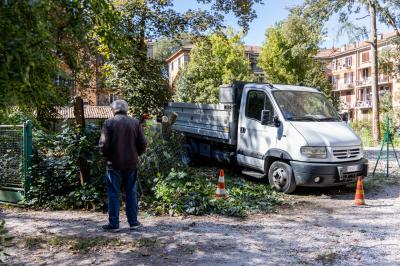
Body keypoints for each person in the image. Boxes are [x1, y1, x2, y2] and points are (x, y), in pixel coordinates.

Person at [99, 100, 146, 232]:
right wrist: (137, 154)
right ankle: (133, 222)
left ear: (113, 110)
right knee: (131, 192)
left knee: (114, 193)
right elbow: (143, 144)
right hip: (131, 163)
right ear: (126, 109)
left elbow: (103, 145)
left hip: (113, 164)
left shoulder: (109, 122)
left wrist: (107, 156)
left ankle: (114, 224)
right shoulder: (135, 122)